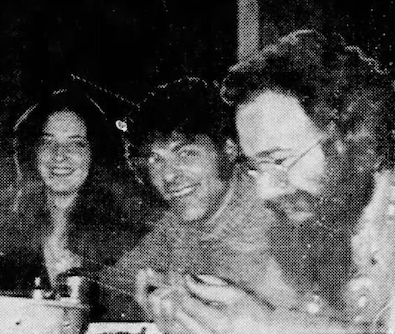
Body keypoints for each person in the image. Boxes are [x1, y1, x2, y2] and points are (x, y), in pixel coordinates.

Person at [151, 30, 395, 333]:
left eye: (279, 161)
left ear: (351, 139)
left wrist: (267, 326)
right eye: (255, 168)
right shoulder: (320, 230)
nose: (266, 190)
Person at [99, 78, 273, 325]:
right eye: (155, 160)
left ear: (230, 149)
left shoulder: (272, 215)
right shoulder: (177, 224)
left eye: (186, 153)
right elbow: (114, 285)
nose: (168, 175)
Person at [0, 89, 142, 316]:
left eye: (76, 144)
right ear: (33, 151)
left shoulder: (125, 237)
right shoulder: (0, 230)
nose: (59, 155)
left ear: (95, 154)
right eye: (48, 142)